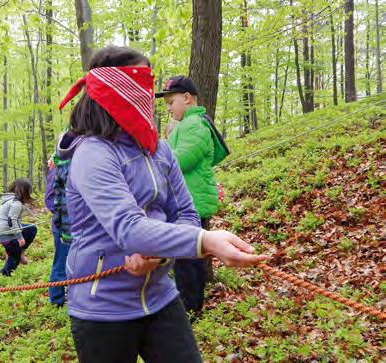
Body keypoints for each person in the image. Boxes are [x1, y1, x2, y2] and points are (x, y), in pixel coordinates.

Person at [58, 45, 267, 363]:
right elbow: (128, 228)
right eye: (140, 84)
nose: (149, 96)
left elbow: (185, 212)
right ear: (116, 90)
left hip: (159, 295)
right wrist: (205, 241)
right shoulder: (93, 154)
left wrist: (158, 252)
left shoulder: (160, 151)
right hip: (102, 308)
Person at [156, 76, 229, 315]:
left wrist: (156, 153)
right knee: (190, 258)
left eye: (171, 102)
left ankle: (190, 308)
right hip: (187, 201)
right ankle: (192, 304)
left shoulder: (194, 125)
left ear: (186, 98)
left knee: (188, 261)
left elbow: (180, 160)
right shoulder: (186, 124)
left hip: (192, 203)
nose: (168, 109)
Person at [44, 132, 81, 307]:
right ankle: (56, 300)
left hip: (75, 225)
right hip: (61, 225)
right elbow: (50, 199)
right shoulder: (57, 167)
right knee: (60, 262)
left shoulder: (77, 165)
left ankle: (74, 298)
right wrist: (63, 212)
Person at [0, 178, 37, 276]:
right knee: (14, 259)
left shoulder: (9, 200)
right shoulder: (16, 204)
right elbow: (11, 220)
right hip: (7, 235)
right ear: (25, 192)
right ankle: (3, 276)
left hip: (4, 231)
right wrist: (20, 237)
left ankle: (20, 251)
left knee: (31, 229)